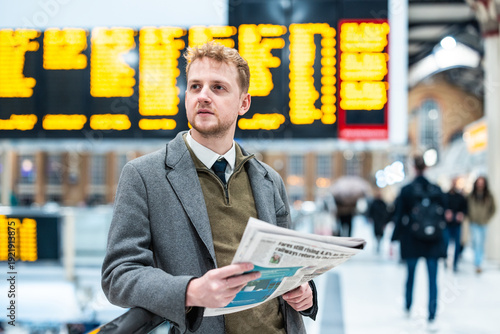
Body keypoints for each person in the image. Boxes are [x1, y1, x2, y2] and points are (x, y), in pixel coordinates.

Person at [101, 41, 317, 334]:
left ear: (244, 103)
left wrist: (306, 292)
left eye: (218, 87)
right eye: (195, 86)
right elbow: (118, 275)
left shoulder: (268, 180)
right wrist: (191, 290)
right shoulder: (144, 176)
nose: (203, 96)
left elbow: (286, 264)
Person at [391, 155, 446, 330]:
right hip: (433, 241)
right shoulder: (436, 189)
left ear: (413, 168)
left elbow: (399, 217)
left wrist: (394, 239)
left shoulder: (407, 190)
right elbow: (443, 215)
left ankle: (408, 306)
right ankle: (432, 313)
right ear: (426, 168)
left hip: (411, 240)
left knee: (411, 276)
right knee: (432, 279)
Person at [466, 176, 496, 274]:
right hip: (474, 222)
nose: (480, 184)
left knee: (481, 243)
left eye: (482, 182)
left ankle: (478, 262)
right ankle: (477, 262)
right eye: (479, 182)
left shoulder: (488, 195)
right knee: (476, 241)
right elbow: (466, 207)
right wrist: (470, 217)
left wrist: (487, 218)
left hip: (483, 223)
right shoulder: (471, 195)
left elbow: (494, 208)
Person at [444, 178, 467, 272]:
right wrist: (446, 213)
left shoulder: (461, 197)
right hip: (447, 224)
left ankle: (455, 264)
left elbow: (465, 209)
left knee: (457, 245)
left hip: (457, 224)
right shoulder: (445, 196)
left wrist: (461, 214)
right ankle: (445, 260)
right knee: (446, 243)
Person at [367, 189, 389, 253]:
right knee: (376, 232)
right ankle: (377, 243)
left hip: (382, 221)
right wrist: (370, 218)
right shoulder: (374, 203)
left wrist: (386, 221)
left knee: (381, 233)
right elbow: (370, 211)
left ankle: (379, 243)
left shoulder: (383, 203)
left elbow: (386, 213)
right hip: (376, 220)